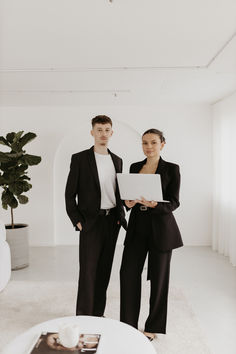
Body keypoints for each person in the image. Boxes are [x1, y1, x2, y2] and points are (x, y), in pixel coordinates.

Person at [120, 128, 183, 341]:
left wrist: (156, 204)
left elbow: (174, 202)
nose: (149, 147)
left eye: (153, 143)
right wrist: (127, 203)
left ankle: (152, 327)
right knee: (128, 274)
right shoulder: (135, 167)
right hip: (137, 227)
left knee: (159, 280)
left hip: (161, 229)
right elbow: (128, 195)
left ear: (162, 144)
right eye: (145, 143)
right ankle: (128, 324)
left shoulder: (172, 169)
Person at [65, 115, 127, 317]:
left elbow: (118, 192)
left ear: (112, 132)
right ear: (92, 132)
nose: (103, 134)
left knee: (104, 270)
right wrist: (77, 220)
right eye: (99, 129)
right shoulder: (80, 158)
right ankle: (84, 314)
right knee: (88, 271)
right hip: (90, 222)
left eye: (107, 129)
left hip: (112, 222)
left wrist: (120, 215)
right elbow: (69, 194)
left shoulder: (118, 160)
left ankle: (98, 313)